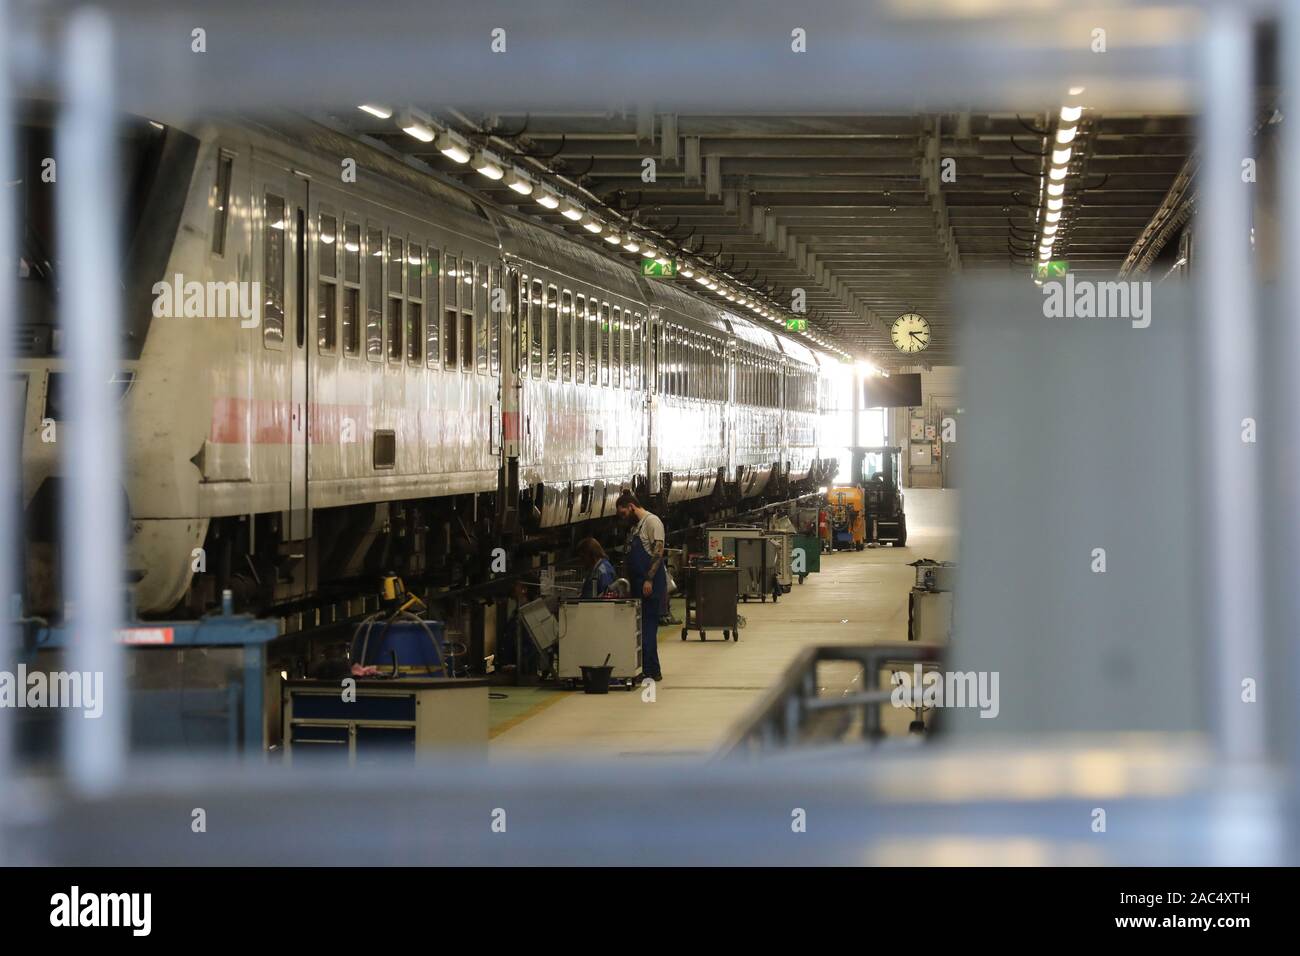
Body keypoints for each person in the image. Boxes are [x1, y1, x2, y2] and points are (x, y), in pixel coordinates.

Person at [615, 490, 665, 682]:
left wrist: (649, 579)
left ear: (631, 507)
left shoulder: (653, 523)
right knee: (643, 628)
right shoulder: (637, 527)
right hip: (638, 585)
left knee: (648, 627)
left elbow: (658, 553)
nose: (623, 518)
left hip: (649, 585)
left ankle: (650, 670)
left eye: (623, 513)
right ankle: (652, 669)